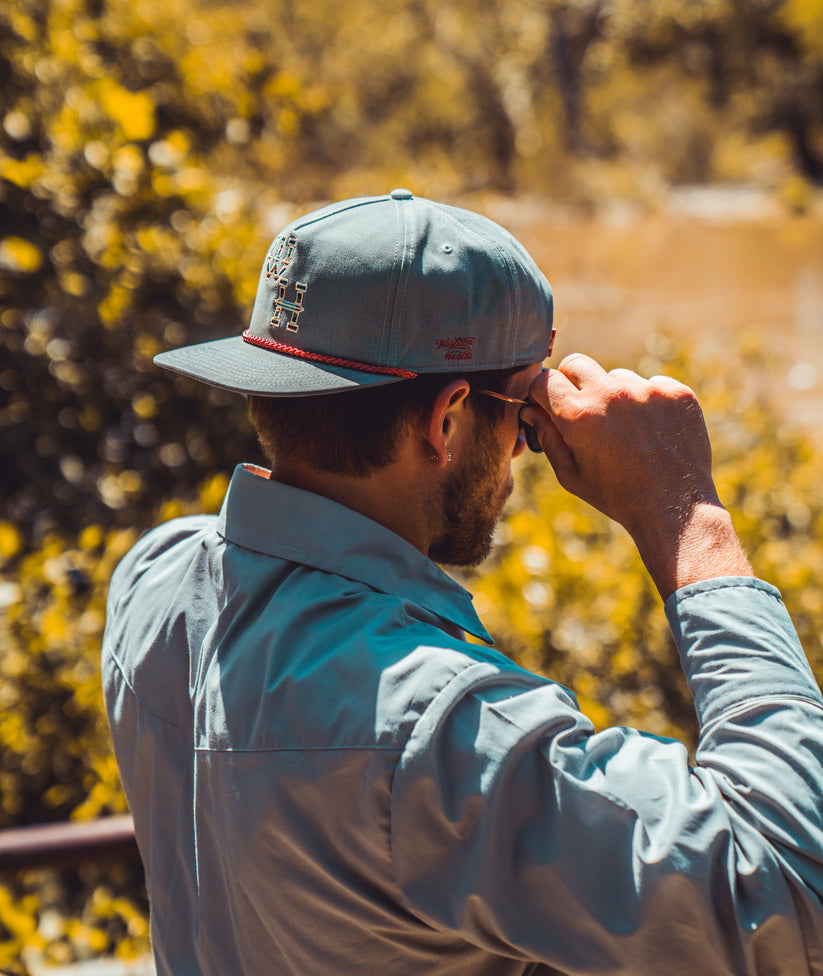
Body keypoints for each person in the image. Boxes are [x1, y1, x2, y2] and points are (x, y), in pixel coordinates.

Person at [102, 189, 823, 975]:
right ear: (445, 420)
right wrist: (688, 518)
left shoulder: (154, 578)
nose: (522, 449)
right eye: (522, 414)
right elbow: (786, 893)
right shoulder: (437, 734)